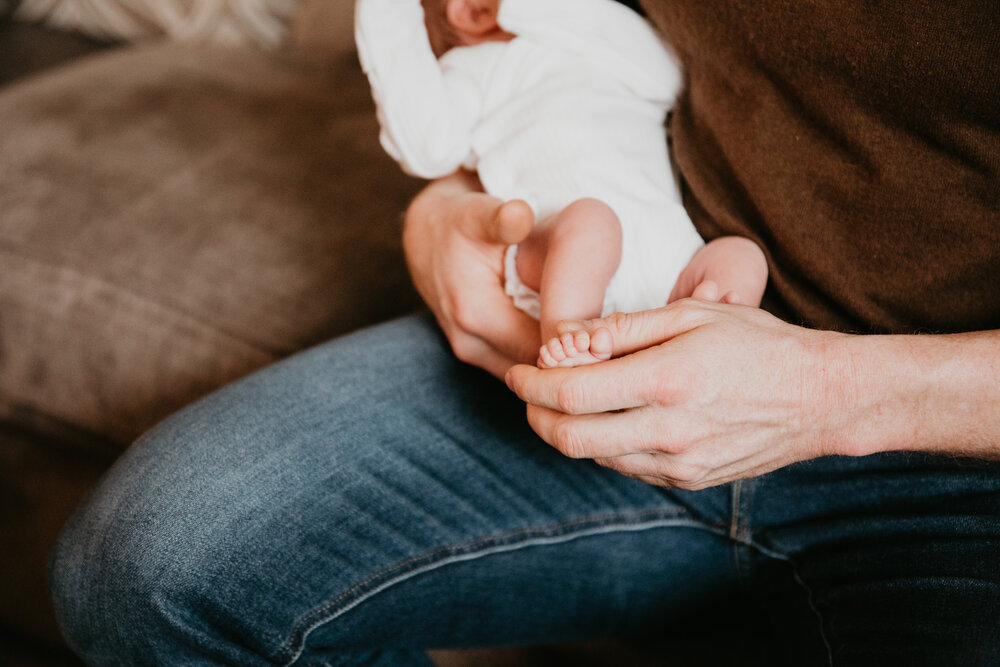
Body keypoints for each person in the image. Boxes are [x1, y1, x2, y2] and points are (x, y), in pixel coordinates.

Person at [49, 1, 999, 665]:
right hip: (649, 330)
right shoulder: (518, 50)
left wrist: (834, 391)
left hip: (954, 453)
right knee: (142, 572)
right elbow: (460, 130)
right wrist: (441, 218)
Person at [356, 0, 768, 367]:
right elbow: (427, 145)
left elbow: (667, 77)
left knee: (741, 256)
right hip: (556, 254)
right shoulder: (476, 70)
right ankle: (572, 354)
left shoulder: (604, 48)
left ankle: (711, 343)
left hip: (674, 267)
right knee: (593, 221)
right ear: (475, 11)